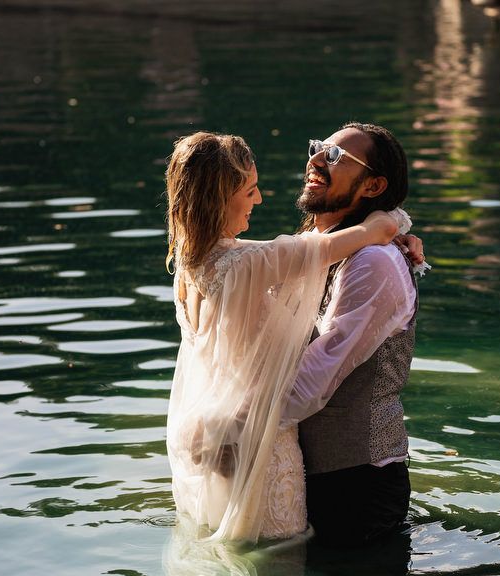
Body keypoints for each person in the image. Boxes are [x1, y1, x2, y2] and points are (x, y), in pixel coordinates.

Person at [164, 131, 407, 544]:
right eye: (250, 190)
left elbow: (311, 248)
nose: (258, 200)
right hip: (254, 444)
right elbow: (314, 249)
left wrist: (391, 233)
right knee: (278, 573)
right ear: (219, 199)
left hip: (231, 438)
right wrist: (390, 224)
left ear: (373, 185)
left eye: (333, 155)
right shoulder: (250, 261)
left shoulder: (197, 263)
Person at [282, 122, 424, 546]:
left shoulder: (373, 263)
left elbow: (317, 377)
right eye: (318, 147)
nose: (316, 160)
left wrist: (237, 431)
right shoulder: (312, 243)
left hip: (357, 483)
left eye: (336, 157)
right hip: (303, 471)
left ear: (373, 185)